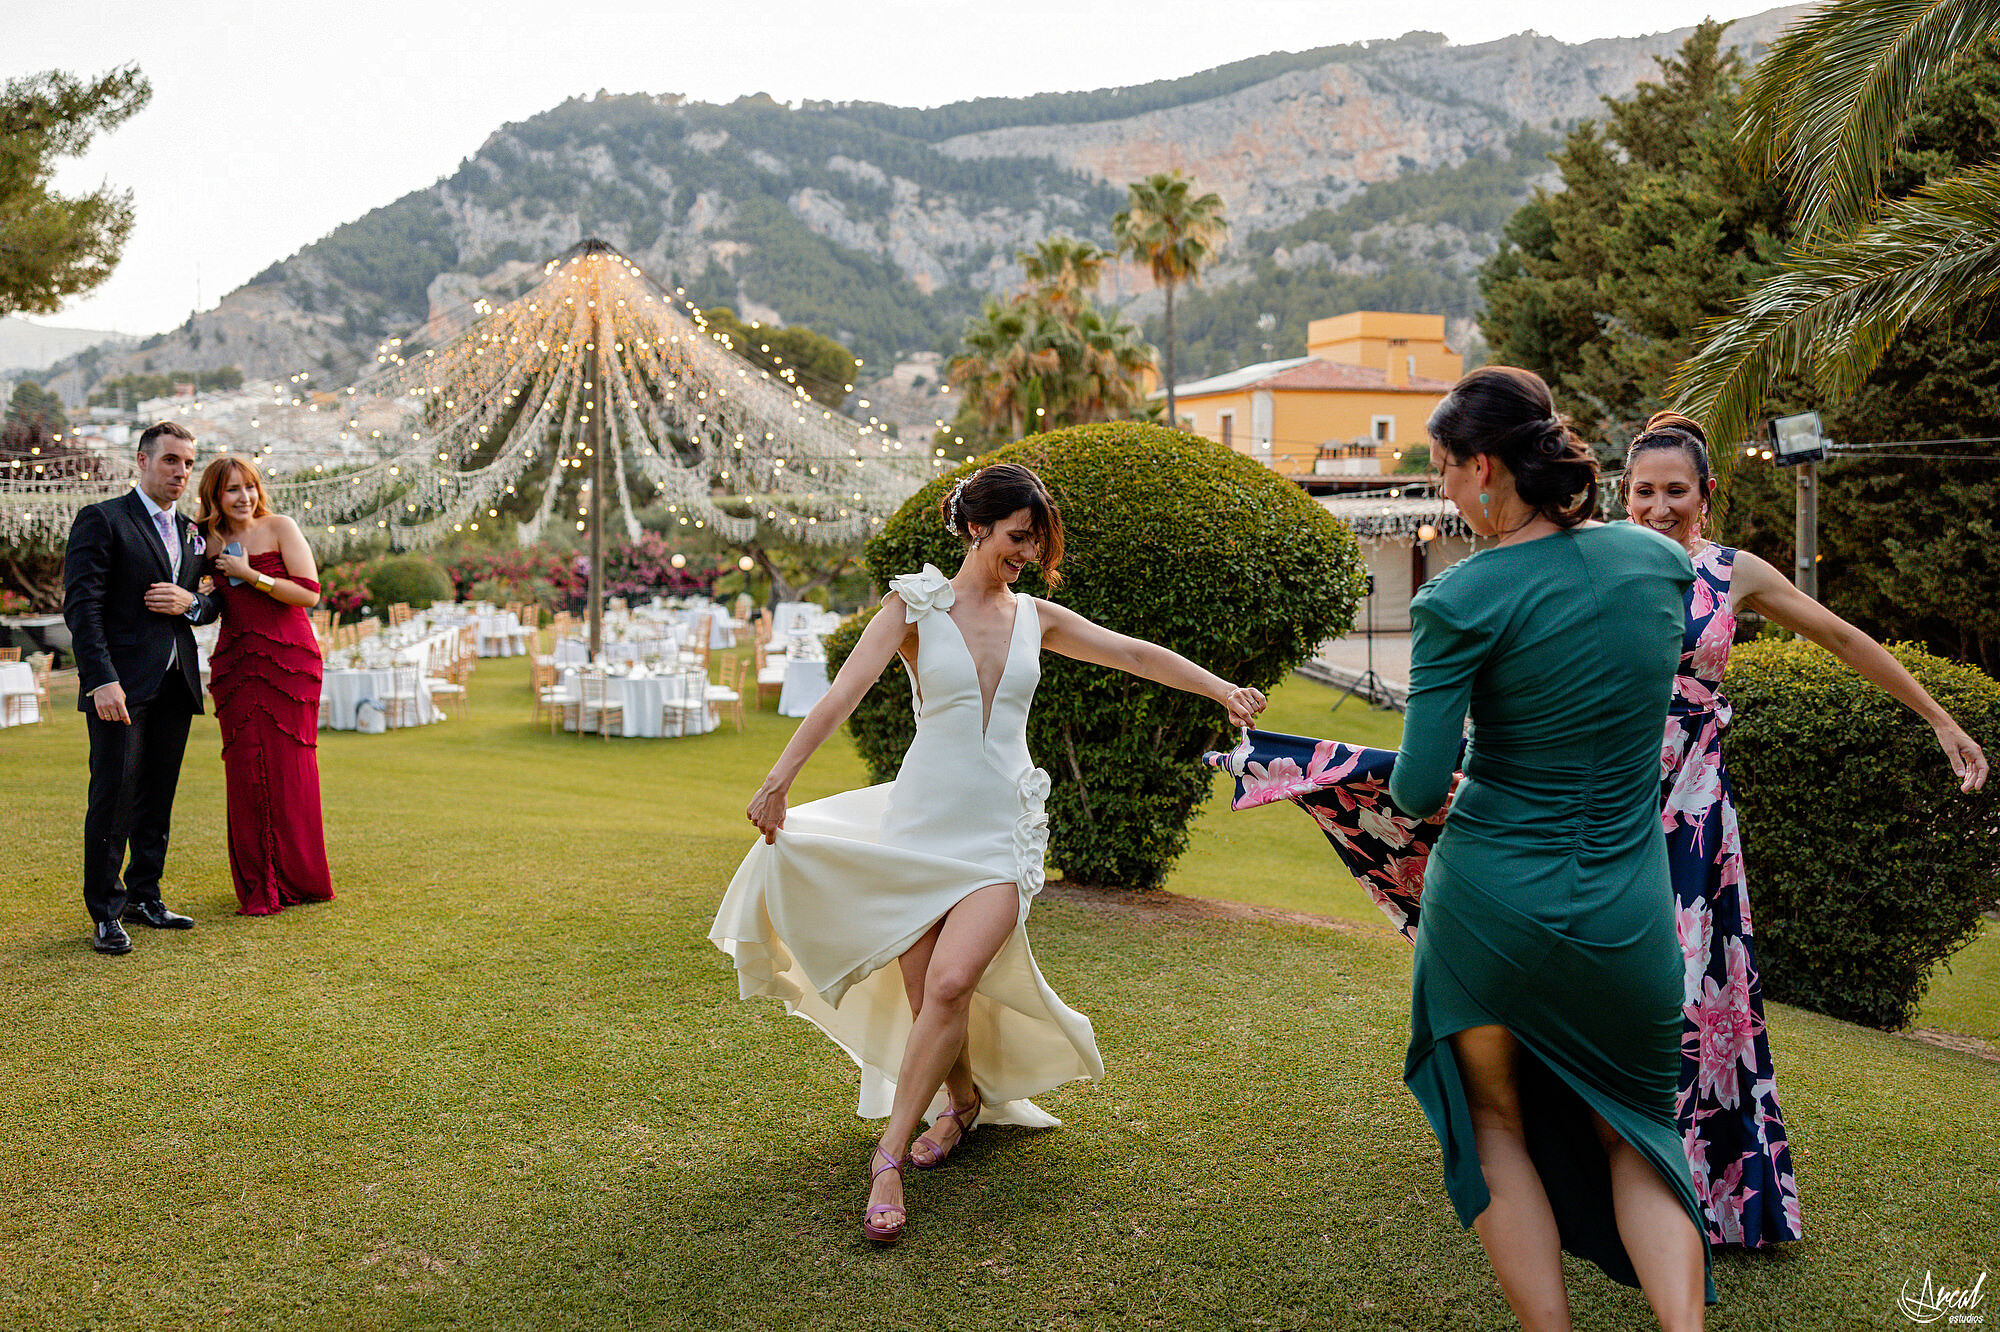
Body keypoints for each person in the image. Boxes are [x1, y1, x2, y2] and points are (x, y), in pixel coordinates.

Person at [710, 462, 1266, 1244]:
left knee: (952, 978)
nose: (1027, 554)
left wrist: (1222, 690)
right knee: (928, 995)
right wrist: (776, 783)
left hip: (999, 832)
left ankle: (889, 1157)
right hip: (918, 830)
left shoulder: (1037, 617)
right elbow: (842, 693)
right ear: (977, 527)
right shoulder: (913, 604)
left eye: (1034, 542)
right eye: (1016, 537)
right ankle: (963, 1101)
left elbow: (1134, 653)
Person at [1390, 368, 1711, 1329]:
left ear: (1485, 469)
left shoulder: (1461, 595)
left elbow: (1415, 789)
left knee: (1495, 1123)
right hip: (1628, 906)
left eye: (1445, 471)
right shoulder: (1659, 566)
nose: (1443, 491)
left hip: (1491, 905)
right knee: (1640, 1136)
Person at [1622, 412, 1987, 1249]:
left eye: (1676, 491)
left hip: (1694, 811)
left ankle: (1703, 1191)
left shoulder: (1732, 571)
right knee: (1602, 976)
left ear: (1705, 498)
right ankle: (1583, 1169)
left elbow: (1841, 636)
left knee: (1697, 991)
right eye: (1645, 491)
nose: (1660, 505)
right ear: (1625, 497)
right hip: (1608, 799)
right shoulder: (1600, 556)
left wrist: (1937, 718)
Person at [63, 421, 221, 954]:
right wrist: (101, 679)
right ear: (142, 460)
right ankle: (105, 911)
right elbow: (82, 607)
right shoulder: (103, 519)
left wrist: (191, 604)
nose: (181, 472)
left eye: (188, 463)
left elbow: (208, 600)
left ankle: (145, 895)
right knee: (114, 796)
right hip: (120, 687)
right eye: (171, 460)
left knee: (158, 797)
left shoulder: (195, 531)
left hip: (177, 683)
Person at [196, 454, 334, 916]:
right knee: (243, 767)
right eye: (232, 489)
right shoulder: (206, 537)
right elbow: (200, 597)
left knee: (290, 766)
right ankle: (258, 881)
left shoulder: (280, 527)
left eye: (249, 487)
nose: (244, 497)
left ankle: (301, 876)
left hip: (288, 660)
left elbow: (310, 593)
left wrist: (251, 575)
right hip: (236, 661)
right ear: (215, 495)